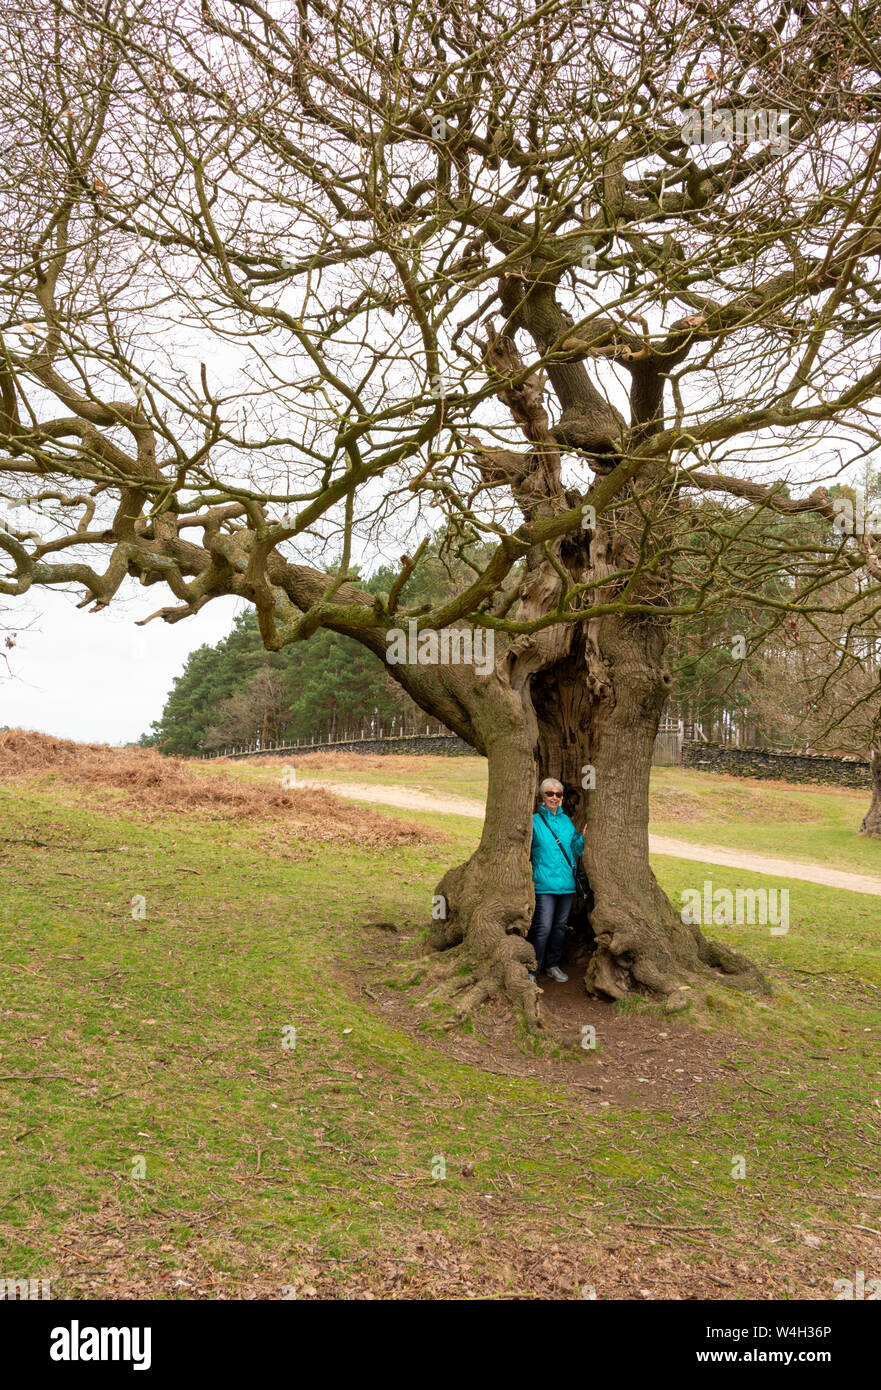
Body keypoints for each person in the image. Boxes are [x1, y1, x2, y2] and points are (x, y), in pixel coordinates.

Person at [527, 778, 587, 983]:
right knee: (543, 927)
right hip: (544, 884)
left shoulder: (566, 821)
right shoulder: (533, 821)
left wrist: (583, 839)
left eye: (558, 794)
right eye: (549, 793)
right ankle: (533, 970)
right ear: (543, 797)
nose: (554, 797)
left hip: (567, 885)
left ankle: (552, 965)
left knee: (560, 927)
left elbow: (576, 849)